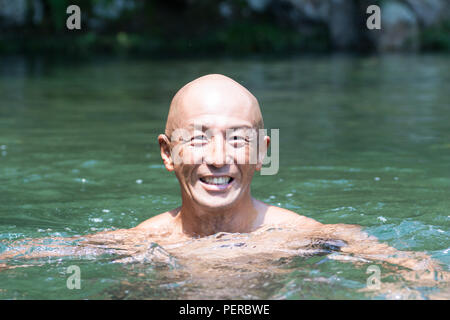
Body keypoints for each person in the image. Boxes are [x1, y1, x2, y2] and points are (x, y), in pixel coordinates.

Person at [0, 74, 447, 294]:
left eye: (237, 139)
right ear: (167, 153)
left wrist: (406, 282)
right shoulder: (139, 243)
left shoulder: (304, 238)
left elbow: (412, 266)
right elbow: (35, 254)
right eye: (198, 137)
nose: (218, 157)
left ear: (262, 152)